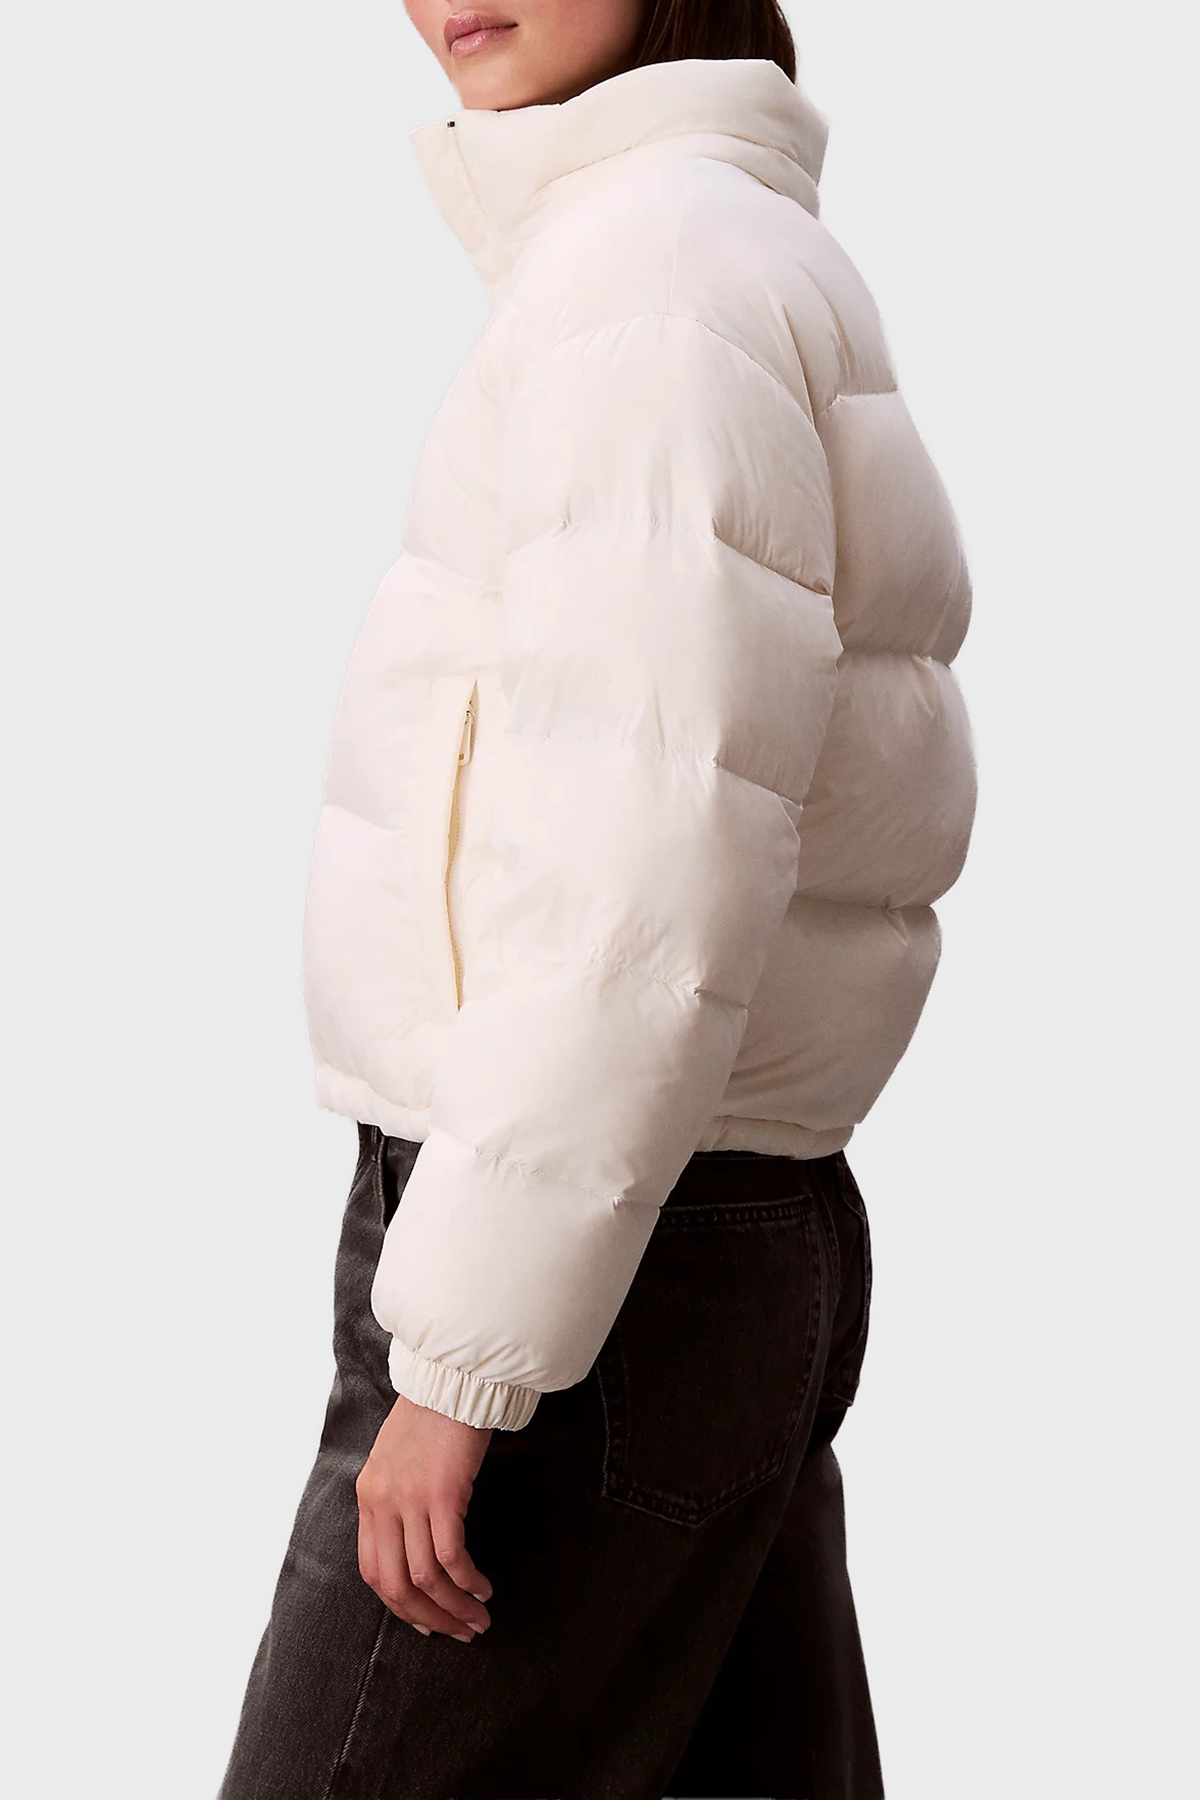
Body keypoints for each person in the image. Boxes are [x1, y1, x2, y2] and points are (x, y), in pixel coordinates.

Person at [217, 3, 976, 1796]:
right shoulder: (715, 245)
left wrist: (467, 1361)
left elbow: (638, 866)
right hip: (698, 1228)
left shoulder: (653, 281)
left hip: (591, 1269)